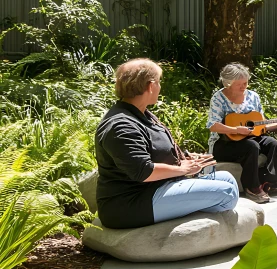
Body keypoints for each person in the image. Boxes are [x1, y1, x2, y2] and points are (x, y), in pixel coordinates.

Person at [94, 58, 239, 230]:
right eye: (159, 82)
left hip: (157, 187)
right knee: (227, 193)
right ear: (150, 85)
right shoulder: (121, 126)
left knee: (228, 179)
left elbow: (156, 149)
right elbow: (143, 171)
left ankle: (182, 207)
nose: (160, 87)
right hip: (130, 204)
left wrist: (185, 159)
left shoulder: (142, 114)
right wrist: (183, 170)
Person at [207, 62, 277, 204]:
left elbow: (260, 126)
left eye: (246, 83)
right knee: (251, 146)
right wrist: (236, 130)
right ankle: (252, 188)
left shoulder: (253, 97)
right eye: (240, 84)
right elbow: (213, 126)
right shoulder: (218, 98)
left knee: (273, 144)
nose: (244, 87)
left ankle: (268, 180)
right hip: (223, 144)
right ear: (228, 83)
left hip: (250, 137)